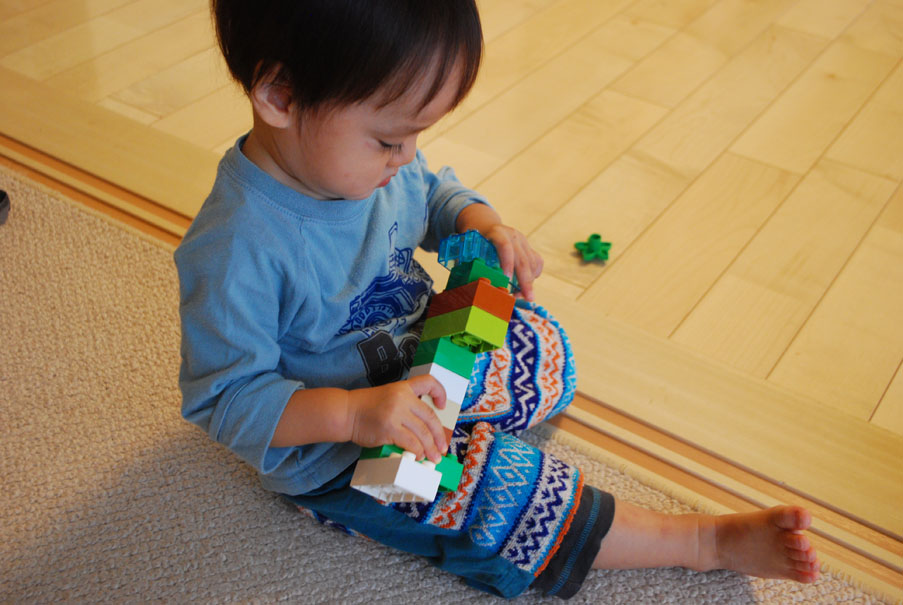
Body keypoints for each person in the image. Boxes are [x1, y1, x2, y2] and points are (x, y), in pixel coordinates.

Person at [174, 0, 820, 598]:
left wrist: (482, 226)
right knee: (508, 499)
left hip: (429, 360)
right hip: (346, 450)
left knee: (544, 351)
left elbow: (432, 194)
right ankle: (701, 542)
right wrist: (353, 415)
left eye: (416, 136)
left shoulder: (375, 164)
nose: (406, 157)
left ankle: (466, 414)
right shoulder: (235, 247)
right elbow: (225, 399)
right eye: (390, 140)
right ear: (280, 95)